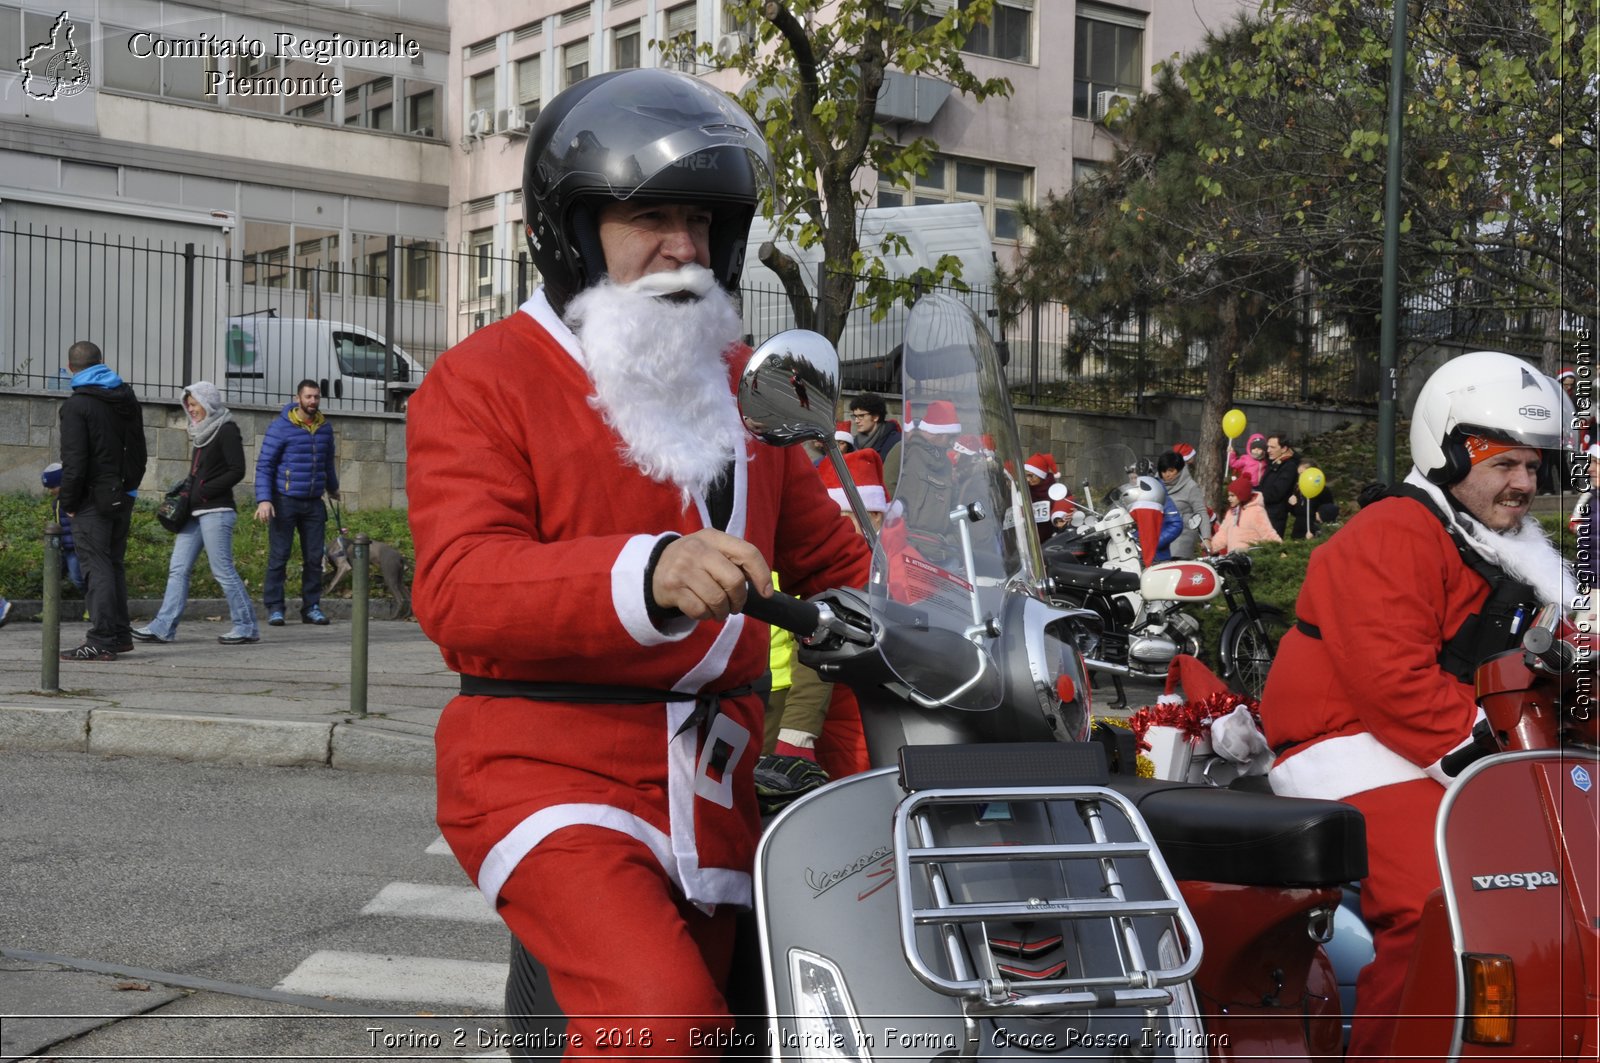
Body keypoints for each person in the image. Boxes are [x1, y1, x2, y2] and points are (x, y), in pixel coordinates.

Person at [404, 69, 871, 1057]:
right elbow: (457, 589)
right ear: (569, 231)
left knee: (801, 1018)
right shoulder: (481, 382)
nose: (684, 247)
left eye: (701, 221)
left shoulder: (742, 389)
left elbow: (838, 563)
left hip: (718, 784)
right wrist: (646, 572)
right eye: (649, 216)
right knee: (664, 1022)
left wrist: (971, 606)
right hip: (550, 769)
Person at [1260, 351, 1573, 1060]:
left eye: (1533, 466)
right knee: (1442, 901)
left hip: (1445, 751)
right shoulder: (1392, 531)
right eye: (1505, 465)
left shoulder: (1494, 542)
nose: (1525, 483)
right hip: (1351, 747)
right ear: (1449, 454)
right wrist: (1497, 772)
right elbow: (1392, 680)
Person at [133, 382, 259, 646]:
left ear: (208, 401)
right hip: (195, 512)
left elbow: (237, 470)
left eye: (194, 404)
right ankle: (163, 627)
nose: (190, 409)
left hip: (217, 510)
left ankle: (246, 626)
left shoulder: (226, 429)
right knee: (178, 568)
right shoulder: (201, 434)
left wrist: (203, 490)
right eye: (187, 405)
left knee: (222, 570)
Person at [56, 340, 147, 662]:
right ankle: (120, 635)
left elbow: (75, 461)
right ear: (102, 363)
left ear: (70, 368)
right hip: (123, 494)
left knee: (97, 568)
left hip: (92, 498)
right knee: (113, 565)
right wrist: (131, 486)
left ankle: (102, 639)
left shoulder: (77, 406)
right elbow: (139, 449)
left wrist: (69, 501)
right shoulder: (126, 397)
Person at [254, 379, 340, 626]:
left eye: (316, 397)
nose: (312, 401)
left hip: (314, 502)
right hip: (284, 501)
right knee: (279, 556)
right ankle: (275, 607)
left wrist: (332, 487)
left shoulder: (324, 428)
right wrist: (264, 500)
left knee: (314, 558)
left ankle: (311, 607)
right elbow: (265, 465)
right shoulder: (281, 427)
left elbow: (327, 462)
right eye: (308, 397)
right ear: (298, 398)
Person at [1209, 475, 1281, 555]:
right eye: (1229, 495)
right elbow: (1223, 534)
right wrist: (1211, 547)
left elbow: (1268, 534)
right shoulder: (1231, 512)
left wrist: (1281, 550)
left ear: (1242, 495)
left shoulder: (1256, 511)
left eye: (1232, 496)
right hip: (1233, 558)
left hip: (1251, 558)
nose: (1229, 499)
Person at [40, 462, 83, 592]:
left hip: (75, 548)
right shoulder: (57, 502)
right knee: (53, 573)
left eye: (53, 486)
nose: (51, 490)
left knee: (77, 578)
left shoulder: (75, 499)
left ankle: (91, 602)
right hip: (63, 547)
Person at [1154, 450, 1204, 559]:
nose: (1167, 475)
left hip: (1183, 534)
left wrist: (1207, 538)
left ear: (1179, 469)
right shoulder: (1155, 486)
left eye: (1171, 470)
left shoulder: (1191, 487)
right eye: (1164, 471)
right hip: (1159, 534)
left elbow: (1201, 512)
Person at [1256, 433, 1299, 536]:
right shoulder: (1274, 462)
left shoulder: (1289, 466)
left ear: (1284, 448)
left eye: (1272, 447)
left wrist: (1256, 496)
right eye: (1268, 447)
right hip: (1264, 511)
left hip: (1275, 515)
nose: (1268, 450)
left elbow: (1277, 492)